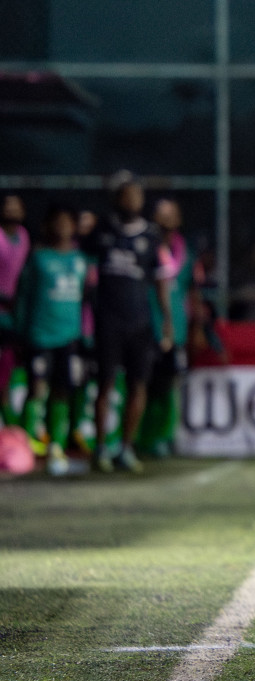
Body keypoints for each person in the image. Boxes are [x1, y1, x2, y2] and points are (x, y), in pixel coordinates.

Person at [81, 172, 175, 474]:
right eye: (126, 195)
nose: (131, 201)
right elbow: (83, 269)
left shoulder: (150, 236)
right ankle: (100, 448)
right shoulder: (102, 230)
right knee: (105, 383)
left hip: (140, 322)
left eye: (136, 196)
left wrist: (166, 321)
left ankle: (126, 446)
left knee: (138, 384)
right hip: (108, 320)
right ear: (117, 199)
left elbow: (161, 281)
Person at [12, 204, 88, 476]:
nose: (63, 228)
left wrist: (84, 334)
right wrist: (21, 331)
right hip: (40, 335)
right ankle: (25, 444)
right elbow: (23, 296)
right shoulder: (38, 259)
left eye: (68, 222)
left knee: (63, 390)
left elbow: (85, 300)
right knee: (37, 388)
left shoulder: (80, 260)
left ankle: (56, 445)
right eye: (57, 222)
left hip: (68, 337)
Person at [139, 198, 202, 458]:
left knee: (169, 384)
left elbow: (192, 290)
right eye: (160, 213)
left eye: (171, 214)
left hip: (175, 328)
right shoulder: (145, 247)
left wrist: (195, 326)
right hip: (146, 324)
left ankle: (164, 438)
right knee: (142, 383)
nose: (165, 219)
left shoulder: (184, 251)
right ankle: (142, 437)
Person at [0, 194, 30, 427]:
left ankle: (12, 429)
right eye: (7, 206)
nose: (12, 211)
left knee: (8, 369)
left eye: (16, 207)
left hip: (13, 316)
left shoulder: (23, 237)